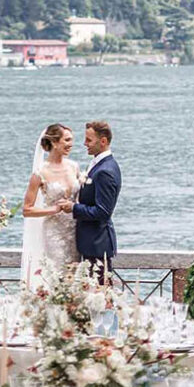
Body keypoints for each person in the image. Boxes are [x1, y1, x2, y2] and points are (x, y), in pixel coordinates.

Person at [58, 120, 121, 285]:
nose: (84, 143)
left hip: (97, 245)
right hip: (91, 243)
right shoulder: (99, 165)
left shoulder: (105, 171)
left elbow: (103, 212)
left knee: (99, 293)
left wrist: (73, 208)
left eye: (89, 140)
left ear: (103, 141)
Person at [21, 123, 80, 287]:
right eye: (67, 140)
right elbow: (27, 210)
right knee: (58, 275)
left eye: (71, 140)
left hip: (76, 230)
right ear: (54, 142)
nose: (71, 144)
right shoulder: (40, 172)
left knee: (76, 275)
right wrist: (53, 209)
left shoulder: (74, 166)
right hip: (54, 232)